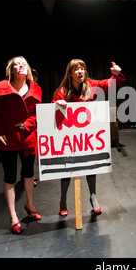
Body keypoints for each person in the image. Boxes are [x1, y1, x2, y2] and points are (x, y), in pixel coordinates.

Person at [52, 59, 125, 217]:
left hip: (86, 137)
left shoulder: (90, 85)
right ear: (70, 73)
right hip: (70, 138)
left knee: (91, 165)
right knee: (67, 169)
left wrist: (116, 75)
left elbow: (108, 84)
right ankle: (63, 200)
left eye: (82, 69)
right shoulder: (62, 91)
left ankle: (93, 197)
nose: (80, 72)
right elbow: (52, 110)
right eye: (76, 69)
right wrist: (57, 104)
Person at [0, 56, 42, 234]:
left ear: (27, 69)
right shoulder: (0, 87)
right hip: (8, 139)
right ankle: (13, 216)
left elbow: (36, 114)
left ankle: (30, 206)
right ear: (11, 70)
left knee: (29, 174)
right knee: (10, 177)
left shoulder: (36, 89)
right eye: (17, 64)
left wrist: (28, 124)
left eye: (23, 63)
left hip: (27, 138)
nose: (21, 66)